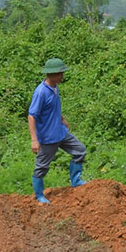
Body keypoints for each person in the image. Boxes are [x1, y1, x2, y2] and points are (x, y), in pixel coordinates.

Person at [28, 57, 87, 204]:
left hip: (60, 132)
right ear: (52, 74)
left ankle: (75, 180)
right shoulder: (41, 92)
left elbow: (53, 107)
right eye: (60, 73)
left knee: (80, 150)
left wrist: (62, 119)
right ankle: (39, 195)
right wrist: (34, 140)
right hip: (48, 137)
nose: (62, 76)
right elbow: (31, 116)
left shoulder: (55, 87)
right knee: (41, 167)